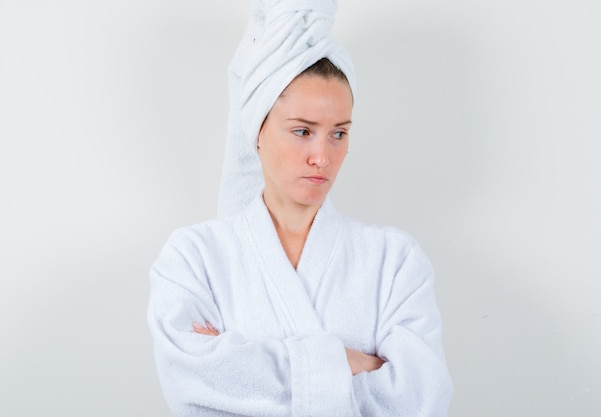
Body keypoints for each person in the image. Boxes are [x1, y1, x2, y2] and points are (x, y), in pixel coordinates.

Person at [148, 2, 452, 416]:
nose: (322, 157)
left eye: (338, 134)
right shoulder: (193, 257)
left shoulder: (394, 261)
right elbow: (189, 386)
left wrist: (244, 373)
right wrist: (350, 364)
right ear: (257, 131)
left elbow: (420, 399)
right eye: (302, 131)